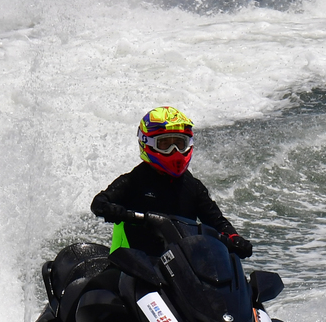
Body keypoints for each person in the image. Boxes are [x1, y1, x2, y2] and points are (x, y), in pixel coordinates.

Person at [90, 106, 254, 259]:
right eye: (165, 144)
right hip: (130, 266)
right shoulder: (134, 180)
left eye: (179, 143)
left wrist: (235, 239)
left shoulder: (193, 186)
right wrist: (115, 211)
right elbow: (99, 202)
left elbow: (217, 221)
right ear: (148, 144)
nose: (174, 151)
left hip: (180, 270)